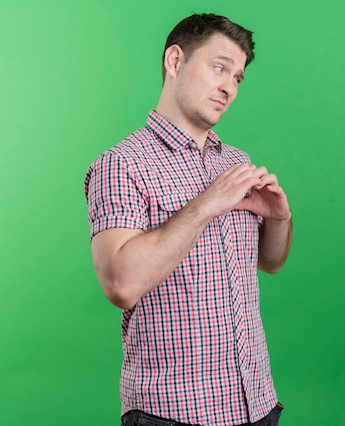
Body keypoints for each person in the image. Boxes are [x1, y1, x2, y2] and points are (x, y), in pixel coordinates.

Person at [84, 13, 292, 426]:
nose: (229, 87)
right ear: (175, 60)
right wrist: (206, 204)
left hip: (257, 404)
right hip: (174, 413)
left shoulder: (236, 162)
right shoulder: (121, 165)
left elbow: (270, 263)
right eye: (219, 67)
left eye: (237, 77)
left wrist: (280, 219)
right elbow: (121, 284)